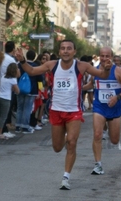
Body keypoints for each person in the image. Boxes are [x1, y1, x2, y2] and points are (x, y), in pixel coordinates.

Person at [15, 40, 112, 190]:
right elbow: (32, 71)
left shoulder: (81, 66)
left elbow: (102, 75)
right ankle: (65, 136)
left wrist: (106, 69)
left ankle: (66, 177)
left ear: (74, 51)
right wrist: (21, 60)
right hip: (56, 111)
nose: (66, 51)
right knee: (57, 147)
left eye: (69, 48)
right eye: (63, 49)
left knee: (72, 143)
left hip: (74, 111)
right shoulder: (52, 65)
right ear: (60, 51)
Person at [83, 48, 121, 175]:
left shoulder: (118, 71)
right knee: (97, 135)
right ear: (99, 56)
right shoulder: (95, 70)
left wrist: (118, 97)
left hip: (115, 108)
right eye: (102, 56)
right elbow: (91, 84)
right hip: (99, 107)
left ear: (111, 57)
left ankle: (107, 126)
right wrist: (79, 88)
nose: (104, 58)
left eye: (107, 56)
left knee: (114, 140)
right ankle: (98, 165)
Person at [16, 50, 42, 134]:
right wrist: (40, 90)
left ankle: (18, 125)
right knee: (27, 108)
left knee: (20, 107)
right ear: (34, 57)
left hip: (20, 89)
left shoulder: (19, 65)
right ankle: (25, 126)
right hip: (32, 89)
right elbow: (40, 79)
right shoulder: (35, 66)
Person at [0, 62, 19, 139]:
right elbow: (17, 91)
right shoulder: (13, 79)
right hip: (6, 98)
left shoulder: (3, 76)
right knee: (3, 116)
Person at [0, 41, 18, 138]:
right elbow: (16, 73)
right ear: (13, 49)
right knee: (6, 110)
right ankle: (4, 129)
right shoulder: (11, 60)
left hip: (1, 83)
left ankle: (0, 130)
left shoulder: (1, 58)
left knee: (0, 112)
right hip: (10, 86)